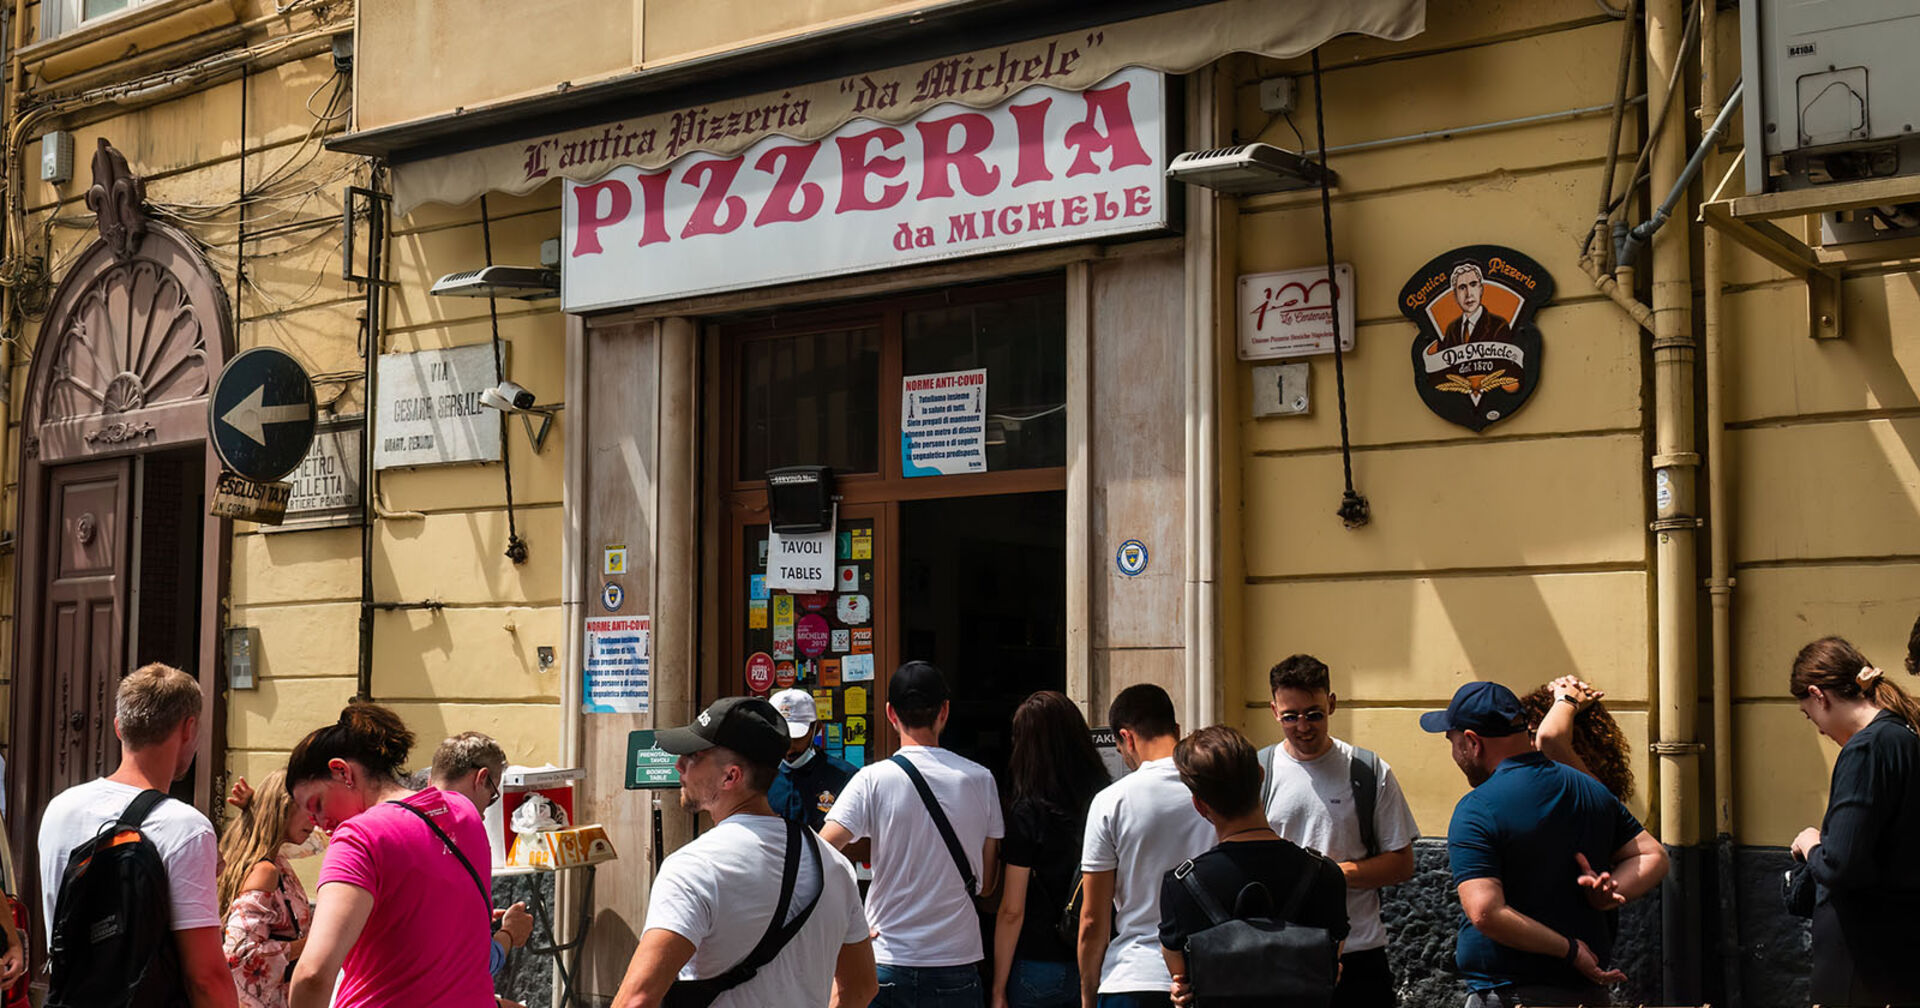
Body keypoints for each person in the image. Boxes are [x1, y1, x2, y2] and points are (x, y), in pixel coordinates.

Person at [609, 697, 876, 1008]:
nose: (678, 765)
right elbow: (861, 988)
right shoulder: (834, 865)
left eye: (694, 756)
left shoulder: (693, 868)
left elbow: (637, 1000)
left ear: (731, 776)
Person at [1421, 681, 1667, 1008]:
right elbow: (1653, 854)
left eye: (1451, 741)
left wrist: (1569, 950)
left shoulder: (1477, 808)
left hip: (1509, 995)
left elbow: (1485, 912)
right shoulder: (1591, 791)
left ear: (1472, 742)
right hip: (1588, 995)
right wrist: (1609, 894)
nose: (1453, 753)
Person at [37, 662, 235, 1007]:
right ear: (188, 728)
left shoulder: (60, 809)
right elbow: (206, 978)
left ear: (118, 728)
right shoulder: (185, 827)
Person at [284, 703, 495, 1008]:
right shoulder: (464, 812)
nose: (316, 822)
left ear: (342, 771)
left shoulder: (358, 837)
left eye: (316, 804)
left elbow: (313, 973)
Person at [821, 661, 1004, 1008]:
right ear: (944, 712)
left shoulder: (872, 779)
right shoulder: (981, 780)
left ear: (890, 713)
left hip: (886, 959)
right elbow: (988, 883)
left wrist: (848, 919)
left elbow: (820, 850)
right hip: (956, 960)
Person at [1261, 655, 1418, 1008]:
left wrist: (1328, 875)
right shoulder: (1258, 772)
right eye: (1290, 716)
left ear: (1331, 704)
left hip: (1359, 953)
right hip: (1281, 952)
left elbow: (1402, 864)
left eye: (1314, 713)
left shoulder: (1368, 770)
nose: (1303, 726)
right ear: (1274, 711)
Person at [1159, 725, 1350, 1004]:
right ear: (1260, 777)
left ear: (1200, 805)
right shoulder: (1325, 874)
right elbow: (1330, 971)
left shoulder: (1180, 885)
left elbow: (1182, 981)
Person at [1788, 635, 1920, 1006]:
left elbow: (1841, 864)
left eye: (1808, 713)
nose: (1817, 728)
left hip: (1858, 957)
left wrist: (1811, 843)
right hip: (1900, 949)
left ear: (1819, 695)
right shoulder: (1904, 735)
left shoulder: (1866, 748)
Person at [1077, 684, 1213, 1008]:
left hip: (1133, 975)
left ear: (1127, 738)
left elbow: (1093, 919)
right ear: (1177, 730)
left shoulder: (1111, 802)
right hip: (1208, 975)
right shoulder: (1216, 790)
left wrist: (1087, 994)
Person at [992, 691, 1111, 1008]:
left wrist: (998, 987)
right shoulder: (1106, 799)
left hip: (1040, 962)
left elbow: (1012, 910)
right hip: (1103, 959)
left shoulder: (1026, 812)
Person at [426, 732, 534, 975]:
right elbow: (478, 963)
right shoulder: (466, 830)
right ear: (482, 778)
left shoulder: (397, 823)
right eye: (492, 796)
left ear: (429, 780)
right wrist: (509, 933)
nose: (485, 813)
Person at [217, 771, 316, 1008]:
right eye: (309, 807)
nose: (315, 819)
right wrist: (310, 944)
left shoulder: (276, 860)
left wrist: (255, 806)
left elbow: (317, 843)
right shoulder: (266, 872)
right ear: (283, 807)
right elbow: (240, 954)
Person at [1520, 677, 1634, 801]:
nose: (1530, 743)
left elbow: (1550, 739)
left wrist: (1568, 700)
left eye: (1533, 734)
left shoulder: (1590, 793)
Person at [767, 688, 858, 833]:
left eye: (797, 737)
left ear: (816, 729)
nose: (789, 748)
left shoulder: (846, 777)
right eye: (781, 737)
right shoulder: (759, 777)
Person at [1439, 263, 1512, 348]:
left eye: (1473, 285)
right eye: (1462, 288)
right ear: (1455, 295)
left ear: (1481, 289)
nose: (1468, 294)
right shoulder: (1451, 329)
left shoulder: (1499, 326)